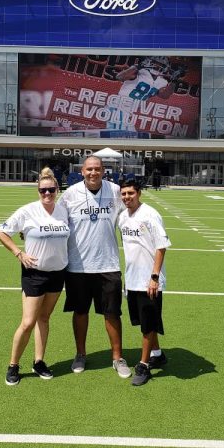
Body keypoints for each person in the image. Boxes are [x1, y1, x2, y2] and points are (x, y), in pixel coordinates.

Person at [0, 168, 69, 386]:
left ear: (57, 190)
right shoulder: (28, 211)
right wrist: (19, 253)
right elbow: (1, 232)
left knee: (44, 319)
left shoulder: (63, 211)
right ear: (38, 191)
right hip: (34, 274)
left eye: (51, 190)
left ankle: (39, 362)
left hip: (58, 273)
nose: (47, 194)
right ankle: (13, 365)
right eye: (43, 190)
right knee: (28, 322)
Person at [57, 154, 129, 378]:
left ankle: (117, 357)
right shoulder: (70, 194)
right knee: (80, 312)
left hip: (108, 264)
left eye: (97, 169)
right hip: (78, 266)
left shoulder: (115, 191)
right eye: (89, 169)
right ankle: (80, 354)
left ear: (103, 171)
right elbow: (56, 219)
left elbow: (130, 215)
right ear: (82, 171)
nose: (93, 173)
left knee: (112, 314)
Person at [117, 179, 171, 386]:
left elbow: (161, 246)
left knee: (148, 324)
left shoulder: (150, 214)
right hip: (132, 279)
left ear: (139, 193)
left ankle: (144, 365)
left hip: (149, 280)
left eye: (131, 193)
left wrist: (154, 277)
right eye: (124, 194)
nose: (127, 197)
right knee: (144, 321)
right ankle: (157, 354)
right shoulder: (123, 217)